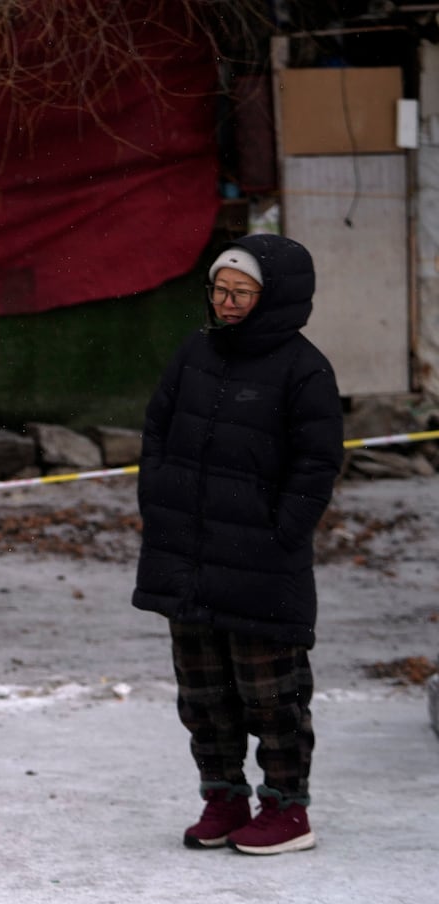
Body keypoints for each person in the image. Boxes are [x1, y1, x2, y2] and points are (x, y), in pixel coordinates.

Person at [133, 233, 342, 856]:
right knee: (202, 693)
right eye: (220, 290)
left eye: (241, 293)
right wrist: (159, 505)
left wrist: (281, 536)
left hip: (261, 563)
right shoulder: (195, 353)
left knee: (272, 694)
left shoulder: (306, 370)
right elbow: (156, 432)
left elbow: (317, 464)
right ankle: (223, 795)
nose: (226, 302)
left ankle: (286, 807)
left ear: (275, 297)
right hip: (188, 556)